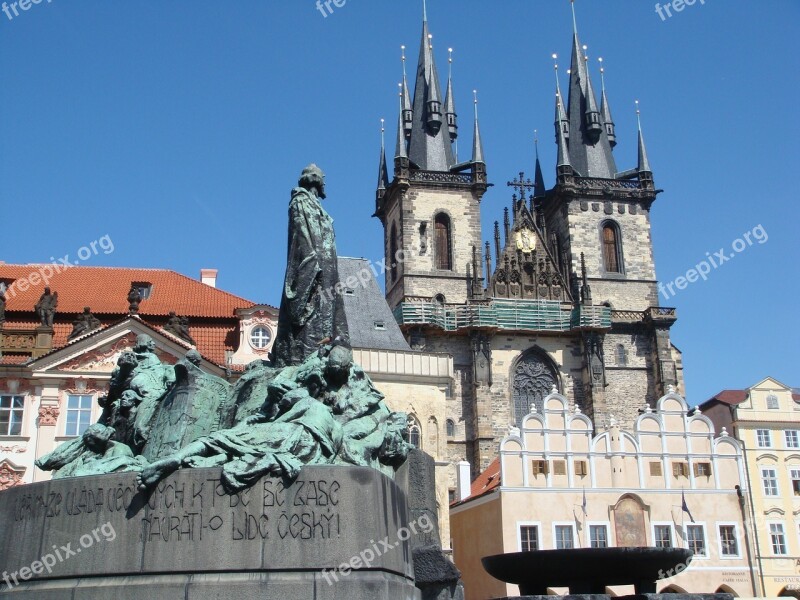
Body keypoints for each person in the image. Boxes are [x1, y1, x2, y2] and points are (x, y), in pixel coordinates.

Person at [272, 164, 349, 368]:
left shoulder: (316, 206)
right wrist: (312, 266)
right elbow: (301, 238)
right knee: (309, 321)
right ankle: (302, 363)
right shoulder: (300, 201)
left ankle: (326, 355)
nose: (325, 183)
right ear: (315, 179)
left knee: (326, 316)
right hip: (314, 268)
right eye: (323, 178)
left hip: (328, 269)